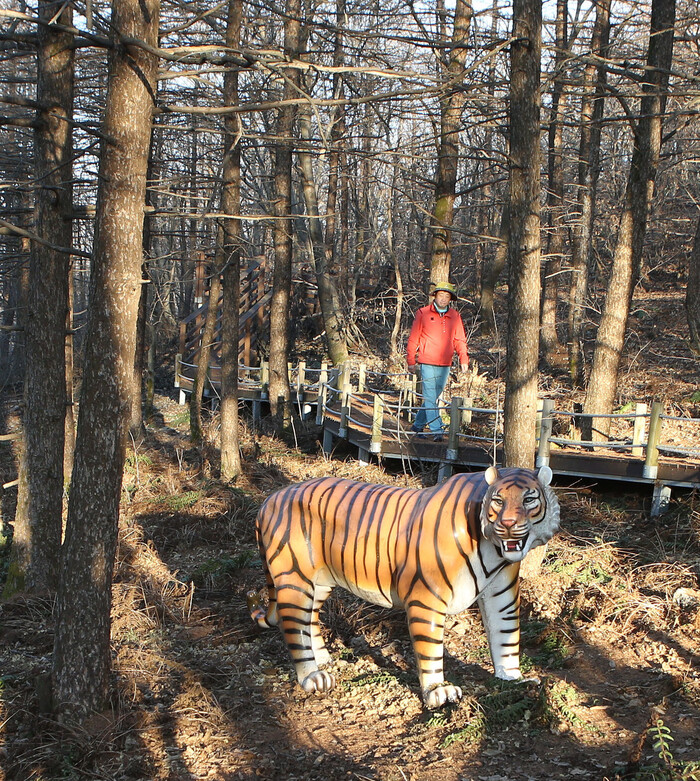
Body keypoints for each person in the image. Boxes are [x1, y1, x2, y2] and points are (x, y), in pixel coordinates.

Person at [406, 282, 469, 441]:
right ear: (435, 296)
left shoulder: (455, 316)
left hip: (445, 363)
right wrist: (411, 360)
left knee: (432, 397)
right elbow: (414, 338)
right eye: (441, 295)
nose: (443, 299)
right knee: (429, 396)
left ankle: (418, 425)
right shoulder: (423, 313)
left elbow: (459, 339)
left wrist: (463, 358)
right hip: (426, 361)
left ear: (450, 299)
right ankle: (437, 430)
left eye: (447, 296)